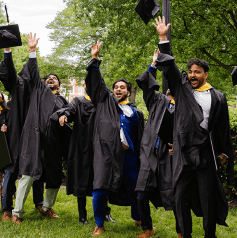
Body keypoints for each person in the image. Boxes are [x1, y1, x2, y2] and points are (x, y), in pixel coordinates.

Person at [153, 16, 234, 238]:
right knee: (180, 198)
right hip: (183, 154)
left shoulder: (218, 96)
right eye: (190, 71)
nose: (192, 75)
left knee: (207, 199)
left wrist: (224, 151)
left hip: (205, 155)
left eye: (197, 72)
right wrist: (163, 38)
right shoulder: (183, 89)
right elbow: (169, 66)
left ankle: (209, 235)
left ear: (205, 74)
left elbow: (222, 127)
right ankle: (185, 234)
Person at [85, 40, 144, 236]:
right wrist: (95, 59)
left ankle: (139, 218)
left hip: (128, 157)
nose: (118, 89)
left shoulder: (134, 113)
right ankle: (99, 223)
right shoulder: (104, 102)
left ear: (128, 91)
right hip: (106, 155)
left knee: (137, 189)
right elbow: (96, 83)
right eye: (115, 87)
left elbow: (142, 135)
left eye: (122, 87)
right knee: (100, 189)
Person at [11, 33, 71, 224]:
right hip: (34, 137)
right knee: (28, 174)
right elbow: (34, 72)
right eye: (49, 78)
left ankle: (47, 207)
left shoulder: (63, 101)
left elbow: (71, 115)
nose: (51, 78)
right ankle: (17, 212)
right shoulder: (38, 89)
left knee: (53, 176)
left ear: (60, 85)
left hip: (53, 142)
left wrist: (65, 115)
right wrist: (32, 50)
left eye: (55, 78)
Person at [0, 46, 45, 221]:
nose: (28, 76)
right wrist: (7, 52)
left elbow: (35, 73)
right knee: (10, 173)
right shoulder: (17, 86)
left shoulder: (38, 89)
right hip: (15, 136)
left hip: (32, 136)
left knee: (34, 171)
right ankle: (7, 209)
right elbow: (10, 70)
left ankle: (39, 205)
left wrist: (33, 53)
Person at [53, 88, 116, 224]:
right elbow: (70, 110)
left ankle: (105, 212)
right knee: (80, 179)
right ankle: (83, 215)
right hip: (82, 146)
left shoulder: (104, 102)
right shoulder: (78, 101)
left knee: (101, 179)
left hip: (100, 146)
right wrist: (65, 115)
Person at [135, 49, 180, 238]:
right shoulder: (157, 101)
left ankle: (181, 231)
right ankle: (147, 228)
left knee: (177, 196)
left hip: (169, 157)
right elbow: (147, 86)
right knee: (142, 194)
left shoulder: (186, 106)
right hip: (149, 154)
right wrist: (153, 66)